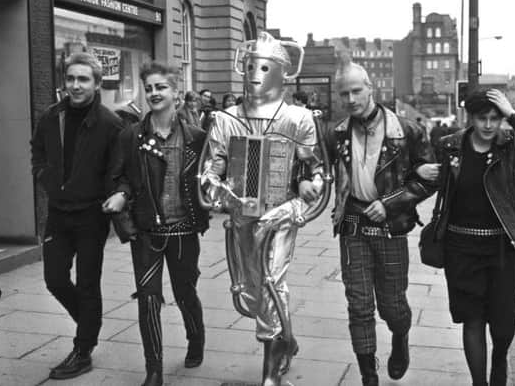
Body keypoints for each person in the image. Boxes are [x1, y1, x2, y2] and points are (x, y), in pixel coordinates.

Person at [201, 32, 324, 385]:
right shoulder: (226, 119)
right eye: (251, 65)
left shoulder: (298, 118)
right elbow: (213, 165)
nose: (256, 73)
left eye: (265, 66)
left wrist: (307, 187)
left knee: (272, 279)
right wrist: (218, 189)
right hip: (241, 215)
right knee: (251, 290)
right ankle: (287, 338)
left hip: (280, 215)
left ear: (282, 72)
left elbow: (316, 169)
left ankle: (269, 376)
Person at [429, 89, 515, 386]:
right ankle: (480, 383)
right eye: (481, 118)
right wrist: (419, 174)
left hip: (502, 246)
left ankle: (499, 360)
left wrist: (513, 114)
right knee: (472, 320)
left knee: (503, 325)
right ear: (470, 118)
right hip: (461, 246)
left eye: (494, 119)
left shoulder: (511, 145)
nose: (488, 125)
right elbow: (428, 183)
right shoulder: (450, 146)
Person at [327, 62, 435, 386]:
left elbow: (430, 178)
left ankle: (400, 339)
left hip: (390, 228)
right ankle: (368, 375)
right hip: (352, 224)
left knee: (392, 307)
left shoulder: (406, 130)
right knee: (358, 305)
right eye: (344, 92)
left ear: (370, 87)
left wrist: (389, 204)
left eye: (356, 90)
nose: (350, 98)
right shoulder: (336, 133)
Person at [104, 62, 209, 386]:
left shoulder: (196, 137)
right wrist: (121, 194)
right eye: (149, 88)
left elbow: (210, 178)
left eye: (160, 87)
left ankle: (196, 337)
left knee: (184, 291)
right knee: (148, 298)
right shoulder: (131, 136)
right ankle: (154, 368)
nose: (153, 93)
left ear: (176, 92)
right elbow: (119, 175)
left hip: (184, 230)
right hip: (147, 231)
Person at [30, 52, 123, 379]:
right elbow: (37, 150)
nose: (75, 85)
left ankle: (83, 349)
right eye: (70, 79)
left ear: (97, 84)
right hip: (58, 212)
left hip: (90, 216)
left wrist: (112, 195)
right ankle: (89, 325)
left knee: (87, 283)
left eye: (83, 79)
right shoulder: (51, 116)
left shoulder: (111, 124)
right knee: (54, 278)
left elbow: (119, 169)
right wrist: (43, 176)